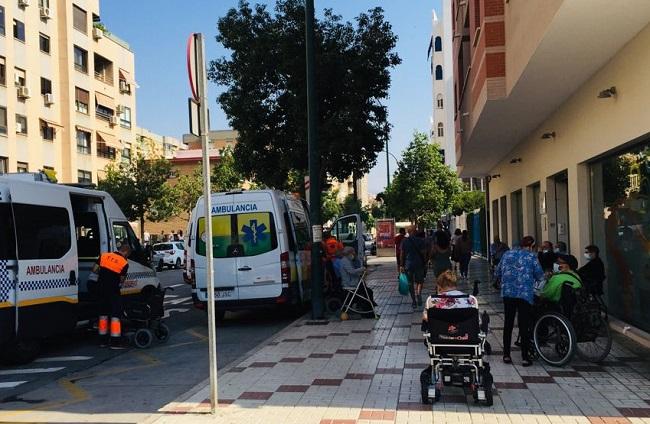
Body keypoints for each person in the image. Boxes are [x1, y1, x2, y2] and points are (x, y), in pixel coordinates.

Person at [496, 235, 544, 367]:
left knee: (508, 323)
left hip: (508, 293)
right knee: (524, 324)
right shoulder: (531, 256)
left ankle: (506, 355)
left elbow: (498, 271)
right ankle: (524, 357)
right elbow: (540, 275)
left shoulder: (507, 254)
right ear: (530, 246)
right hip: (524, 294)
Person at [95, 244, 131, 349]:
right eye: (127, 255)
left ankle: (103, 341)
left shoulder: (104, 256)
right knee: (115, 315)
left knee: (103, 315)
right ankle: (115, 342)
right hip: (113, 291)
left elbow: (95, 269)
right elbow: (121, 280)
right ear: (126, 253)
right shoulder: (124, 263)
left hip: (101, 289)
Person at [340, 246, 376, 312]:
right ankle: (368, 308)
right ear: (349, 253)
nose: (353, 255)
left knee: (367, 290)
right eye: (353, 253)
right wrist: (361, 269)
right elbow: (351, 271)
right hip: (350, 283)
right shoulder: (345, 261)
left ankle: (368, 307)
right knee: (367, 291)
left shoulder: (347, 260)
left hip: (352, 281)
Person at [400, 226, 427, 309]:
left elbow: (402, 254)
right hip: (419, 264)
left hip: (408, 265)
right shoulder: (420, 240)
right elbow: (424, 252)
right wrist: (425, 262)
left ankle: (414, 301)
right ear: (414, 231)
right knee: (420, 281)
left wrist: (401, 265)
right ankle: (418, 293)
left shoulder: (404, 241)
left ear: (408, 231)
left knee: (410, 283)